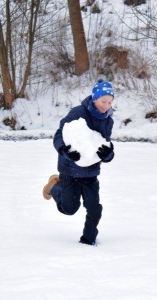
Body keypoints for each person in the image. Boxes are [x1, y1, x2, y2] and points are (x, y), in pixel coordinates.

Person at [42, 79, 115, 246]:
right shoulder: (78, 113)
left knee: (94, 208)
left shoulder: (108, 121)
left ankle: (88, 240)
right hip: (70, 169)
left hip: (91, 172)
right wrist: (65, 151)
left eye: (110, 102)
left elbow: (105, 145)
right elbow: (59, 135)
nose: (106, 105)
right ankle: (54, 186)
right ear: (94, 98)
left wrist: (108, 154)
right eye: (103, 101)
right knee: (69, 209)